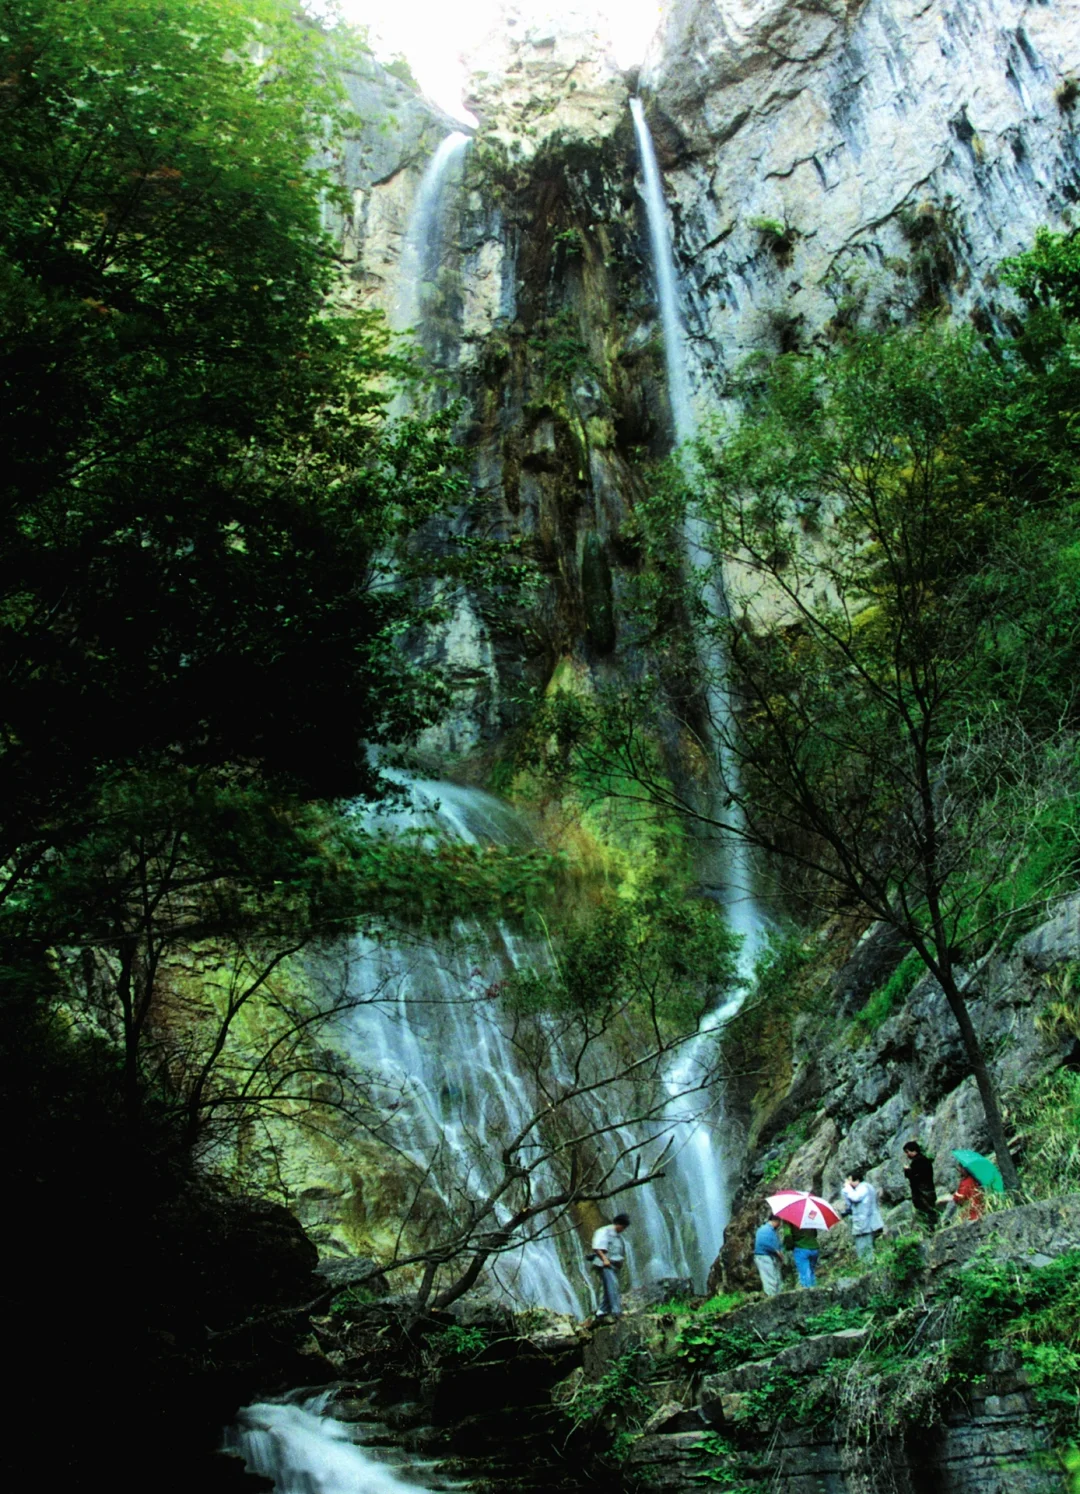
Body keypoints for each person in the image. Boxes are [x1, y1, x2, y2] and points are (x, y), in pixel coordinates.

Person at [590, 1212, 630, 1320]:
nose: (623, 1229)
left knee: (609, 1288)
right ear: (618, 1224)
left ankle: (601, 1311)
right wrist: (605, 1259)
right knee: (613, 1286)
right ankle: (616, 1311)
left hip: (613, 1264)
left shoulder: (618, 1236)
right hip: (605, 1264)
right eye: (623, 1227)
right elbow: (597, 1247)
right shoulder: (604, 1231)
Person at [839, 1170, 884, 1261]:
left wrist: (847, 1187)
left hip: (864, 1222)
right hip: (866, 1221)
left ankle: (867, 1264)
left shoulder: (863, 1188)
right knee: (865, 1244)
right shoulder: (866, 1187)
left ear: (857, 1180)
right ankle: (868, 1263)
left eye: (850, 1180)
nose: (849, 1183)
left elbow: (855, 1197)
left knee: (863, 1245)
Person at [902, 1141, 938, 1229]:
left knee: (925, 1211)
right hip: (928, 1189)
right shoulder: (925, 1160)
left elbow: (914, 1176)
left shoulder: (917, 1161)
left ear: (913, 1151)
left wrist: (907, 1170)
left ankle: (929, 1229)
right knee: (929, 1210)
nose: (907, 1155)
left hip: (921, 1192)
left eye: (907, 1152)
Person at [752, 1213, 785, 1296]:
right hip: (764, 1257)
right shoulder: (765, 1229)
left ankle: (776, 1296)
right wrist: (776, 1250)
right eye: (779, 1222)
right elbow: (763, 1242)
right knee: (769, 1279)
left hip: (770, 1257)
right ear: (776, 1221)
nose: (780, 1224)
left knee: (775, 1278)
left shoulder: (771, 1230)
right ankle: (772, 1297)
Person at [783, 1220, 820, 1288]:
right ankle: (815, 1290)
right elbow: (815, 1234)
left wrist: (789, 1246)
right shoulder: (808, 1216)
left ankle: (808, 1293)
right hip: (814, 1248)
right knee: (811, 1272)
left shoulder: (788, 1218)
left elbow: (788, 1235)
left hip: (801, 1248)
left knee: (805, 1273)